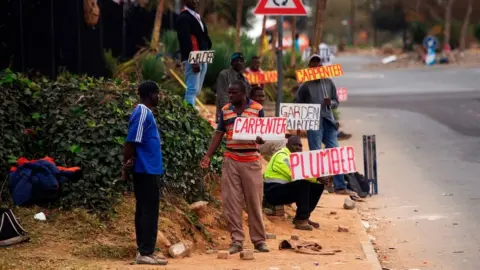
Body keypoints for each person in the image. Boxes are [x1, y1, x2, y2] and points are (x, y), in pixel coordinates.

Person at [200, 80, 269, 254]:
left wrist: (261, 139)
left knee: (254, 202)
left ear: (244, 93)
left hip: (251, 161)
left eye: (234, 93)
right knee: (232, 203)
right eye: (229, 93)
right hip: (231, 160)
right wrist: (208, 155)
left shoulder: (257, 109)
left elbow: (264, 133)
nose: (230, 96)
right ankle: (237, 241)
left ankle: (259, 240)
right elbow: (218, 133)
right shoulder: (225, 111)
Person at [295, 55, 355, 196]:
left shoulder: (328, 82)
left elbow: (336, 101)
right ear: (309, 67)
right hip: (313, 121)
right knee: (316, 152)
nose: (316, 66)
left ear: (321, 66)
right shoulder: (305, 85)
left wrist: (331, 103)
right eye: (313, 64)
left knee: (334, 151)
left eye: (318, 64)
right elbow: (298, 104)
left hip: (329, 120)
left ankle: (340, 186)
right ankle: (319, 185)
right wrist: (302, 118)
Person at [122, 81, 167, 265]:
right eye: (157, 93)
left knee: (147, 209)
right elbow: (131, 140)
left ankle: (146, 250)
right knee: (148, 211)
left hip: (150, 169)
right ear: (149, 95)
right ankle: (145, 252)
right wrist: (127, 163)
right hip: (145, 170)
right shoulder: (141, 112)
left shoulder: (146, 113)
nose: (159, 97)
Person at [263, 136, 326, 231]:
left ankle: (304, 216)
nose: (298, 148)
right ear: (287, 145)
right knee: (303, 183)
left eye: (300, 146)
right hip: (272, 192)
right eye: (295, 145)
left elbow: (307, 173)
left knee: (317, 185)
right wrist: (317, 177)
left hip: (283, 190)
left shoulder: (296, 159)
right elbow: (295, 173)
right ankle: (301, 219)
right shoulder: (282, 155)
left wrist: (320, 179)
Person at [176, 0, 212, 106]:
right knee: (191, 89)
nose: (195, 1)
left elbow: (203, 35)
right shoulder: (184, 17)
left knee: (196, 90)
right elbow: (185, 39)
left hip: (202, 56)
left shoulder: (197, 16)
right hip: (193, 57)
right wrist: (193, 59)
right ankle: (189, 116)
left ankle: (191, 114)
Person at [250, 86, 285, 160]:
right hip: (248, 144)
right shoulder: (247, 110)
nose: (261, 98)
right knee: (280, 142)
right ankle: (277, 165)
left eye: (262, 96)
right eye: (258, 96)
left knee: (285, 141)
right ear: (251, 97)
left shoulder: (260, 110)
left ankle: (277, 164)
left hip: (259, 141)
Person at [215, 52, 251, 122]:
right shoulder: (224, 74)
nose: (239, 63)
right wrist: (228, 113)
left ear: (244, 64)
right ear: (231, 63)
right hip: (228, 114)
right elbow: (223, 95)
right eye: (236, 61)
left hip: (243, 115)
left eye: (241, 61)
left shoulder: (244, 79)